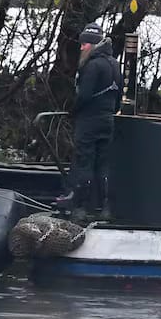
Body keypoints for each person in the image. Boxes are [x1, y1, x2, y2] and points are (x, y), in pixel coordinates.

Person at [55, 22, 123, 214]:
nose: (81, 47)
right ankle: (101, 205)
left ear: (92, 45)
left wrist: (73, 112)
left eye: (84, 44)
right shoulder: (115, 64)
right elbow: (118, 98)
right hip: (108, 120)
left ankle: (79, 204)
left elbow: (84, 95)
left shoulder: (92, 65)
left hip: (90, 121)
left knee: (84, 160)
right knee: (102, 164)